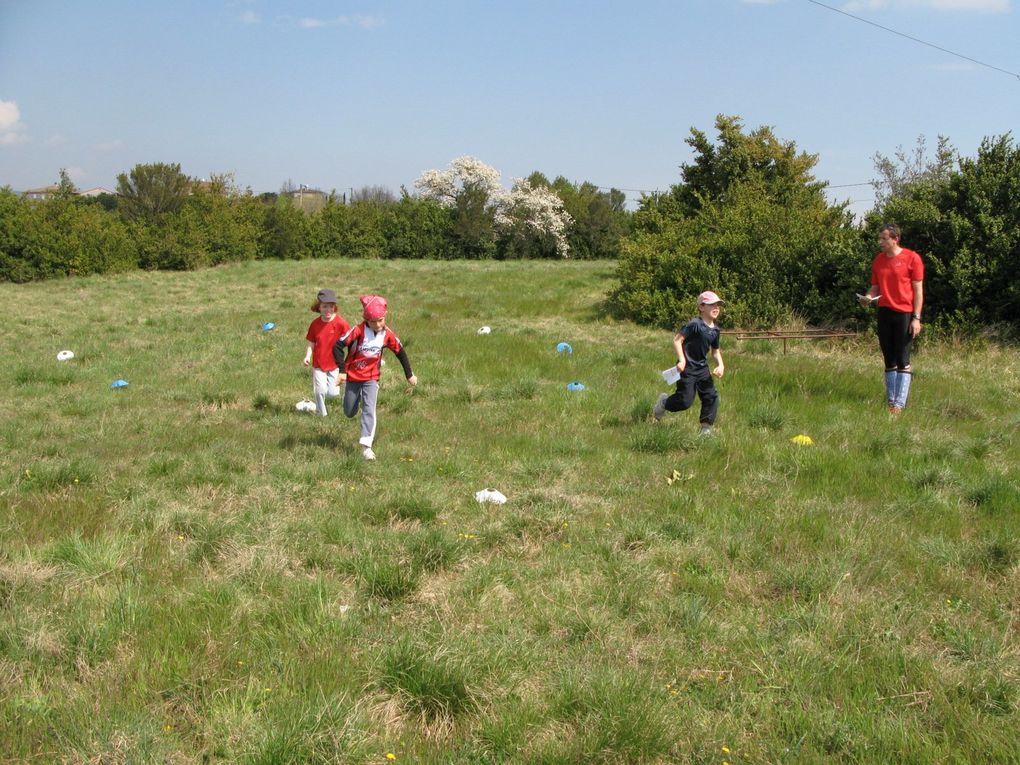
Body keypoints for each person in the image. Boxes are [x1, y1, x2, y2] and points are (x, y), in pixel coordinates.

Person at [333, 294, 417, 460]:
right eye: (373, 321)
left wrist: (409, 375)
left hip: (371, 378)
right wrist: (342, 371)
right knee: (349, 411)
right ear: (366, 320)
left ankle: (366, 446)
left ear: (384, 317)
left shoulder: (387, 334)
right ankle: (351, 402)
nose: (378, 325)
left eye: (381, 320)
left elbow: (400, 352)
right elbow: (337, 346)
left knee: (369, 409)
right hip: (352, 376)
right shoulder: (358, 331)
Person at [858, 223, 924, 414]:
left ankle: (899, 405)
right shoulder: (878, 261)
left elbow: (918, 291)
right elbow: (874, 287)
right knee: (888, 358)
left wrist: (916, 318)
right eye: (879, 238)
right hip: (884, 312)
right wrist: (868, 298)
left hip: (904, 312)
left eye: (884, 238)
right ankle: (891, 401)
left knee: (903, 357)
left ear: (895, 239)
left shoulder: (912, 258)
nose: (880, 242)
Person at [653, 291, 725, 435]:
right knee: (684, 401)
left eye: (717, 305)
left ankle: (705, 429)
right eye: (711, 305)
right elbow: (677, 340)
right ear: (701, 307)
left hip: (703, 369)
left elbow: (715, 351)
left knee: (711, 397)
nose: (716, 307)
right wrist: (682, 360)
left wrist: (721, 365)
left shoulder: (715, 330)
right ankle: (664, 402)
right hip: (687, 368)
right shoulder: (694, 324)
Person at [303, 288, 351, 417]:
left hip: (335, 364)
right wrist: (308, 356)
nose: (328, 310)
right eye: (324, 307)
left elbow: (351, 339)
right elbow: (311, 343)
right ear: (319, 307)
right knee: (320, 391)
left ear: (334, 307)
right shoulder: (315, 324)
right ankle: (321, 414)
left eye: (331, 306)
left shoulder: (341, 323)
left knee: (333, 393)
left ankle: (324, 405)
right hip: (319, 364)